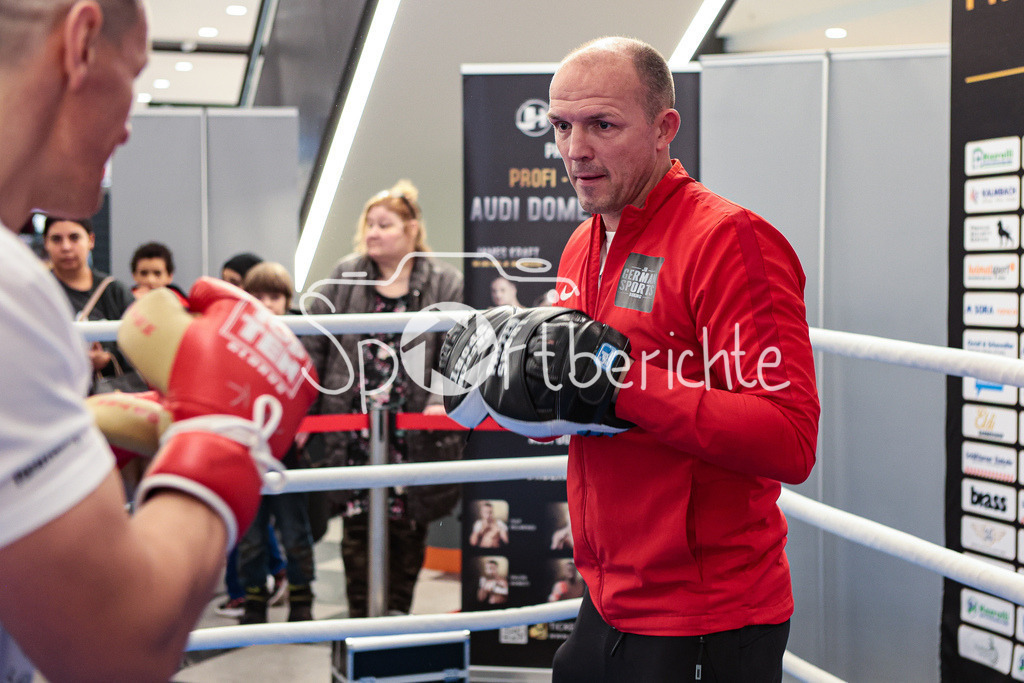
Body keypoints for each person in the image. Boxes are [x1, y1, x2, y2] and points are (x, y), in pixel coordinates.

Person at [0, 3, 316, 680]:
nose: (129, 124)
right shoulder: (8, 295)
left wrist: (72, 437)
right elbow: (118, 645)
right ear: (82, 40)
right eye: (135, 74)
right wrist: (225, 431)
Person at [543, 38, 820, 682]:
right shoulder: (583, 243)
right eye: (561, 125)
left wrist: (619, 382)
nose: (575, 148)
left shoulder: (730, 241)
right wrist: (520, 393)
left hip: (706, 616)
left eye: (602, 125)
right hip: (606, 596)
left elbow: (790, 437)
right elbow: (592, 408)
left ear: (665, 127)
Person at [302, 179, 464, 617]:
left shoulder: (446, 281)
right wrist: (303, 412)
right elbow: (313, 346)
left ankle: (394, 633)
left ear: (411, 229)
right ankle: (360, 633)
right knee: (357, 537)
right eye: (369, 224)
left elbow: (459, 347)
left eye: (384, 225)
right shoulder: (344, 276)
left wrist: (441, 399)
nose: (372, 233)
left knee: (407, 539)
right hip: (354, 435)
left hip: (415, 439)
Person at [237, 262, 317, 624]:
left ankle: (302, 599)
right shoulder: (238, 338)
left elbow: (313, 388)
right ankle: (254, 599)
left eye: (275, 296)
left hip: (288, 451)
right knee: (250, 532)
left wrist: (305, 427)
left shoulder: (303, 336)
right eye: (259, 296)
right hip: (247, 447)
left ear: (287, 300)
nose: (267, 304)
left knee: (294, 528)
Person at [44, 216, 135, 388]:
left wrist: (108, 359)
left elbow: (145, 346)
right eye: (56, 239)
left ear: (91, 240)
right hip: (49, 393)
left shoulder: (114, 291)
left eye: (74, 237)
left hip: (110, 394)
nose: (66, 247)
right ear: (45, 243)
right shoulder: (35, 292)